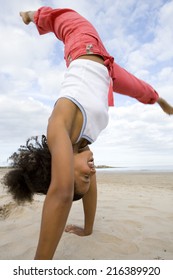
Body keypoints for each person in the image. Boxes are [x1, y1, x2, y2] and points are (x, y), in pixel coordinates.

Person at [3, 6, 173, 260]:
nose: (92, 173)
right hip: (108, 73)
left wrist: (38, 268)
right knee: (141, 90)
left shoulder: (59, 128)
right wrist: (88, 229)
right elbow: (87, 189)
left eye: (83, 179)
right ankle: (158, 99)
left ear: (60, 168)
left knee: (62, 17)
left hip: (82, 46)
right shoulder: (82, 147)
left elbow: (61, 195)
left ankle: (32, 16)